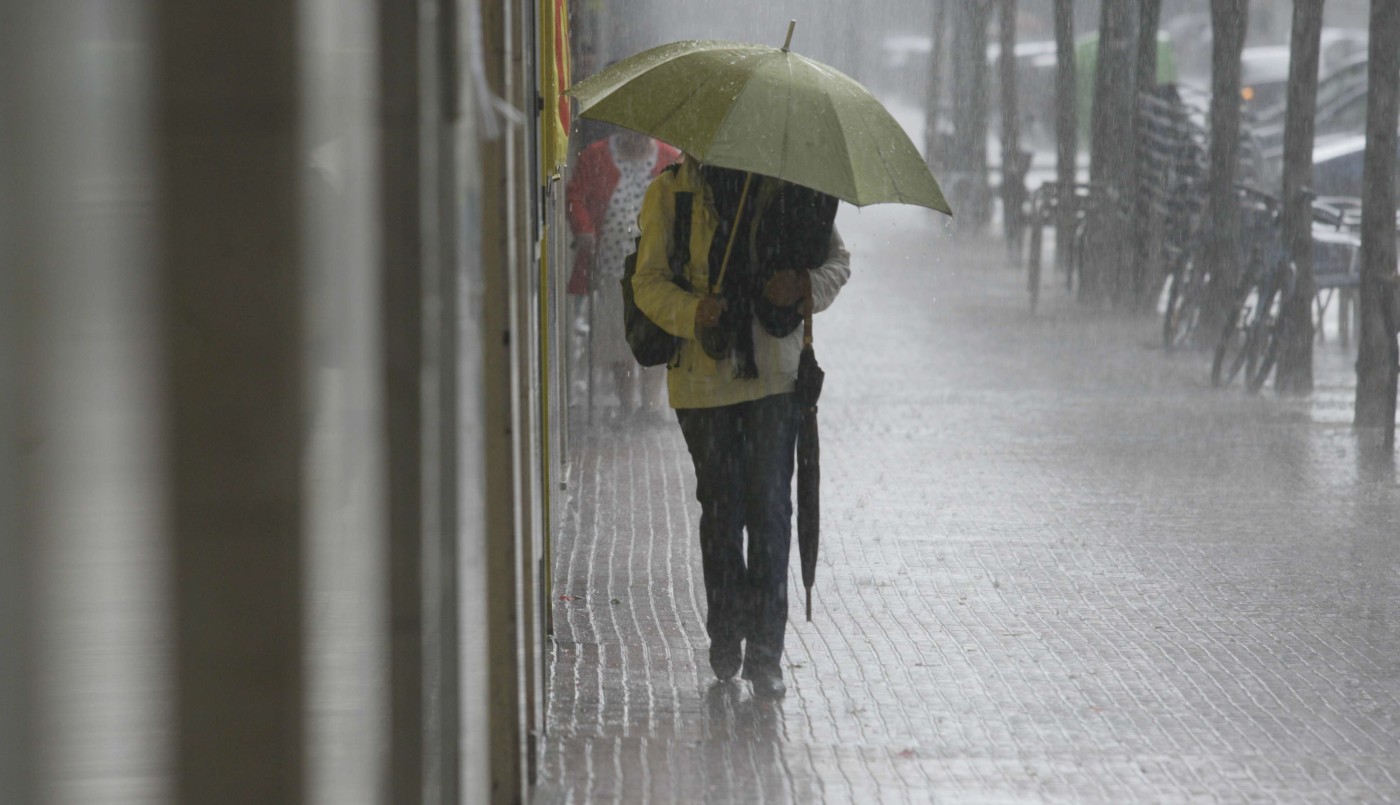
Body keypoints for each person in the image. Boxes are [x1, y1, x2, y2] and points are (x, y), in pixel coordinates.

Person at [632, 155, 849, 698]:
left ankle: (766, 654)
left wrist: (802, 283)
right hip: (702, 384)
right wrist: (693, 311)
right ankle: (726, 629)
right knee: (723, 509)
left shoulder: (789, 189)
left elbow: (837, 262)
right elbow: (648, 280)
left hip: (775, 378)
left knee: (772, 508)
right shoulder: (673, 194)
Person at [566, 128, 680, 421]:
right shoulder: (596, 157)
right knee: (618, 338)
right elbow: (575, 196)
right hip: (612, 268)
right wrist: (585, 231)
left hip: (657, 270)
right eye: (631, 131)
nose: (637, 138)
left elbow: (683, 205)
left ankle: (652, 405)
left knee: (654, 332)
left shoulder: (669, 158)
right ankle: (627, 404)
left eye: (643, 133)